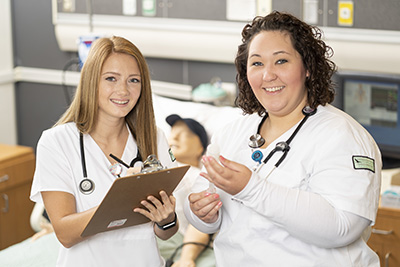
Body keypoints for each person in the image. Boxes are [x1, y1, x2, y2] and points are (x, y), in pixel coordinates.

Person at [184, 11, 382, 266]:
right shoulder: (232, 133)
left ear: (308, 67)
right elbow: (201, 209)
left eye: (281, 61)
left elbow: (343, 227)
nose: (268, 75)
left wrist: (251, 189)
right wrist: (202, 214)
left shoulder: (343, 136)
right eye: (256, 63)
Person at [30, 36, 179, 267]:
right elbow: (65, 234)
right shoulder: (57, 142)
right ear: (91, 82)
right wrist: (122, 197)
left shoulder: (154, 137)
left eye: (133, 80)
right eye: (111, 78)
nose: (123, 90)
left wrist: (167, 219)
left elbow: (166, 233)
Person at [157, 114, 215, 267]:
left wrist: (186, 258)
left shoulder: (200, 177)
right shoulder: (157, 169)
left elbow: (201, 221)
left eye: (184, 134)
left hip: (179, 242)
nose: (173, 138)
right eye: (172, 134)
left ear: (201, 148)